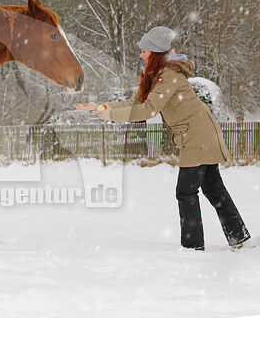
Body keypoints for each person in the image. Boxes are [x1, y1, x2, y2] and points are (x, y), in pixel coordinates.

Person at [74, 26, 253, 251]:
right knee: (213, 188)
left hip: (198, 135)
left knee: (186, 191)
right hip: (199, 133)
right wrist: (101, 107)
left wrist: (111, 115)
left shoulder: (168, 76)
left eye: (144, 51)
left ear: (155, 54)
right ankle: (239, 238)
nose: (140, 55)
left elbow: (148, 110)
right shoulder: (153, 76)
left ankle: (193, 246)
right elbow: (135, 104)